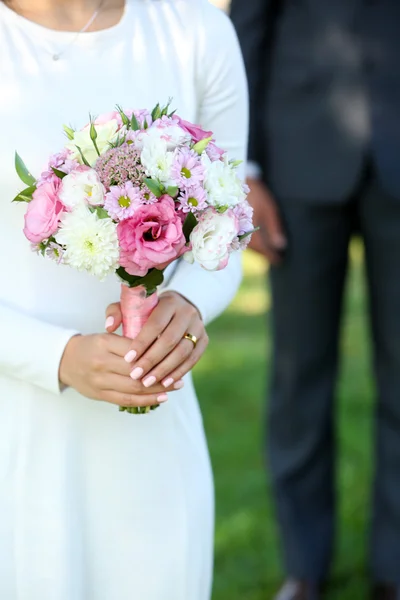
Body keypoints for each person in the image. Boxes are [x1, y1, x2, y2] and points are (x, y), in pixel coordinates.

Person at [0, 1, 248, 598]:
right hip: (16, 434)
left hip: (153, 425)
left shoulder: (196, 34)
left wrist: (187, 304)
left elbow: (228, 232)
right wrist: (54, 356)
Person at [230, 0, 400, 599]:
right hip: (298, 153)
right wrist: (242, 168)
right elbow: (247, 26)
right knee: (299, 372)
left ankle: (395, 568)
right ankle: (304, 566)